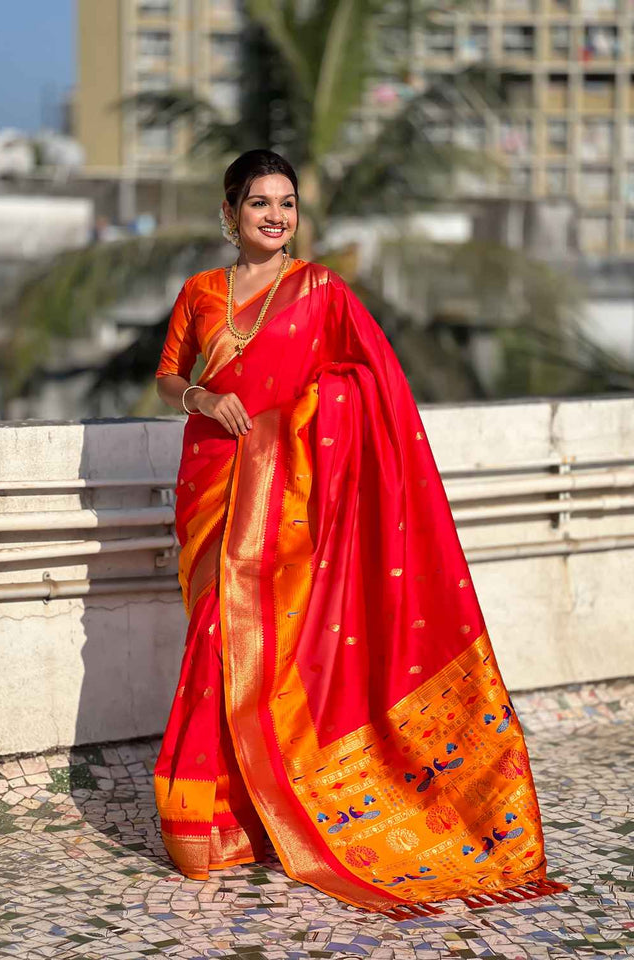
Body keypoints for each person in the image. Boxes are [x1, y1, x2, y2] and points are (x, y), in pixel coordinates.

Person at [152, 148, 568, 920]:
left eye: (286, 203)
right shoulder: (200, 292)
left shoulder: (322, 290)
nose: (276, 216)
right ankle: (221, 820)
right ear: (230, 213)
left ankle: (268, 811)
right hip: (212, 482)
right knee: (216, 636)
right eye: (259, 203)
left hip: (294, 496)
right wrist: (202, 400)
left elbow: (373, 378)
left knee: (278, 652)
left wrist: (301, 416)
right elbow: (170, 374)